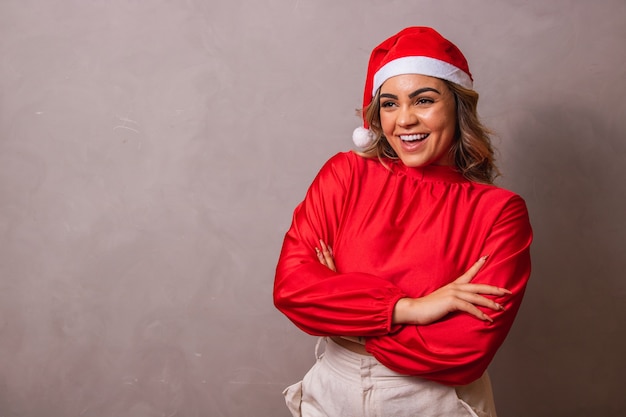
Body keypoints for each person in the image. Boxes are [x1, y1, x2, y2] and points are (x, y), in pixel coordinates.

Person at [273, 26, 532, 417]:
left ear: (457, 106)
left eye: (423, 100)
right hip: (331, 393)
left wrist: (343, 311)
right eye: (390, 104)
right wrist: (411, 309)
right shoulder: (346, 174)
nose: (405, 120)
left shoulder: (499, 212)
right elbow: (292, 289)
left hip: (433, 401)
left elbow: (464, 350)